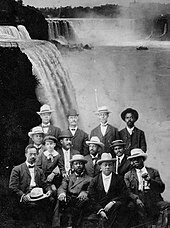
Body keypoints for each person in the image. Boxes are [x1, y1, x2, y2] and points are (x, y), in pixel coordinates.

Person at [9, 144, 53, 227]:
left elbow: (45, 184)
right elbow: (12, 187)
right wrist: (23, 195)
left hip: (39, 195)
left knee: (50, 201)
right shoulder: (17, 169)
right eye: (30, 154)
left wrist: (49, 191)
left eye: (35, 154)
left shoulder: (39, 170)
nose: (33, 156)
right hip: (25, 195)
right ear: (26, 154)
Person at [124, 148, 169, 227]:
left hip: (153, 199)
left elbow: (161, 188)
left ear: (143, 159)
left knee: (167, 206)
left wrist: (150, 181)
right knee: (129, 208)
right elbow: (127, 191)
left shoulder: (153, 172)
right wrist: (136, 199)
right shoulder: (128, 175)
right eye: (134, 159)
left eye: (138, 158)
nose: (136, 160)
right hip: (138, 199)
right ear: (131, 161)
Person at [88, 153, 130, 228]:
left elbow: (124, 194)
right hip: (99, 208)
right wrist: (100, 210)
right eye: (105, 165)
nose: (107, 167)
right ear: (100, 166)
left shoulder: (119, 179)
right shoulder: (95, 180)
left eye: (110, 165)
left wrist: (113, 202)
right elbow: (91, 197)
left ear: (113, 166)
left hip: (114, 208)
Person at [56, 154, 92, 228]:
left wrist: (85, 192)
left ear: (84, 165)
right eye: (76, 164)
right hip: (69, 200)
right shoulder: (68, 177)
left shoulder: (89, 179)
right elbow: (62, 187)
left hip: (80, 201)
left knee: (81, 204)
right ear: (72, 166)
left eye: (80, 163)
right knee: (61, 203)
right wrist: (62, 194)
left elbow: (91, 189)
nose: (78, 166)